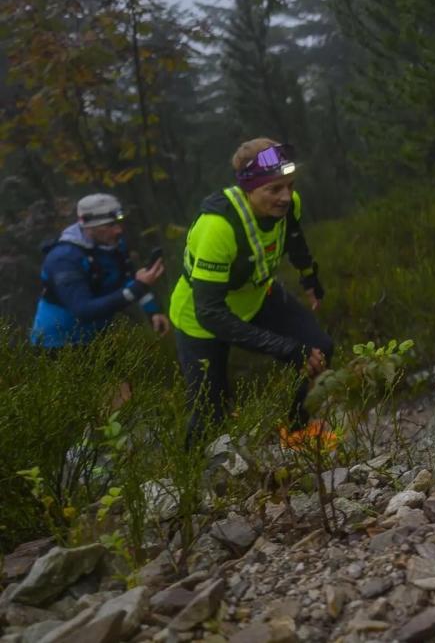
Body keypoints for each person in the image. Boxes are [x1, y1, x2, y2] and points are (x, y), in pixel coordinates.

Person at [169, 138, 333, 446]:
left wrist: (310, 278)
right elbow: (211, 313)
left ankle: (297, 433)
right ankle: (187, 481)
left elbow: (294, 236)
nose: (285, 197)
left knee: (318, 348)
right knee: (209, 410)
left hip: (257, 296)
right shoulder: (217, 228)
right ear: (248, 189)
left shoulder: (288, 204)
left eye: (290, 185)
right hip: (201, 321)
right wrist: (285, 348)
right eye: (273, 189)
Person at [30, 192, 169, 349]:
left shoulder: (114, 245)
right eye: (110, 225)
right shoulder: (64, 259)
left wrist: (152, 311)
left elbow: (130, 279)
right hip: (57, 345)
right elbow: (83, 310)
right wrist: (137, 288)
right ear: (89, 227)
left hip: (95, 337)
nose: (118, 230)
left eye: (119, 222)